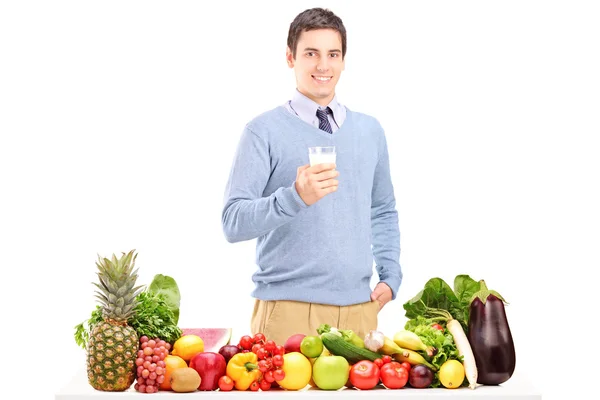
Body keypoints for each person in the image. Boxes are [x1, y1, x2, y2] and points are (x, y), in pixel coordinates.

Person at [221, 7, 401, 346]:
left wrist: (390, 276)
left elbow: (383, 209)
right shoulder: (262, 131)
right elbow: (232, 222)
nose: (323, 65)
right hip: (287, 311)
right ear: (291, 58)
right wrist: (294, 197)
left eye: (333, 54)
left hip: (360, 310)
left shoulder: (370, 130)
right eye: (311, 53)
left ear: (344, 60)